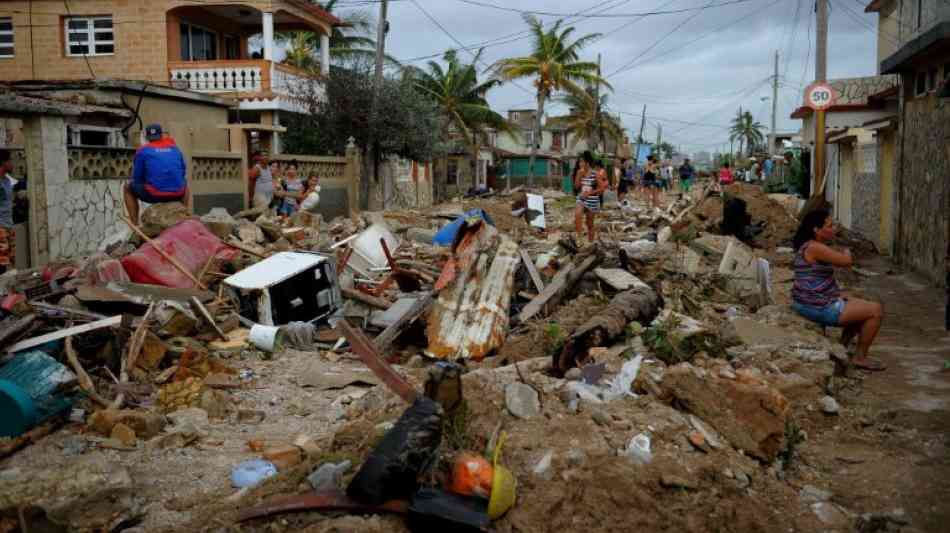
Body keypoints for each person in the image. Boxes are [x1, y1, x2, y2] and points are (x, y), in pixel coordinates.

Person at [791, 209, 886, 371]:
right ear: (816, 229)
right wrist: (846, 247)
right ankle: (860, 357)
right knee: (876, 310)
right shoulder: (815, 247)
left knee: (859, 300)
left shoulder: (812, 246)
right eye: (829, 225)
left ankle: (842, 348)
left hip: (809, 301)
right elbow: (846, 261)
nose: (833, 228)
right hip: (816, 306)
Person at [124, 124, 189, 225]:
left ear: (147, 138)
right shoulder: (175, 149)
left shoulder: (142, 151)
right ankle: (185, 217)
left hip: (154, 195)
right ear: (161, 135)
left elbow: (137, 178)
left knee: (128, 188)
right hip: (177, 194)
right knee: (184, 185)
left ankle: (134, 225)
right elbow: (183, 172)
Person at [574, 151, 608, 242]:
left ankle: (590, 243)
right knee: (577, 214)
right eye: (579, 162)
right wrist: (579, 176)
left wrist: (590, 193)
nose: (580, 164)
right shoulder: (579, 172)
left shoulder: (595, 174)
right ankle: (579, 238)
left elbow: (602, 188)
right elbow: (576, 187)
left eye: (581, 162)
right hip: (581, 198)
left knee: (590, 224)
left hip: (592, 200)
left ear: (587, 163)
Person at [0, 150, 18, 272]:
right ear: (3, 162)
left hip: (8, 225)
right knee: (1, 265)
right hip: (0, 227)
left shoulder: (7, 180)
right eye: (10, 160)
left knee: (8, 262)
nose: (13, 163)